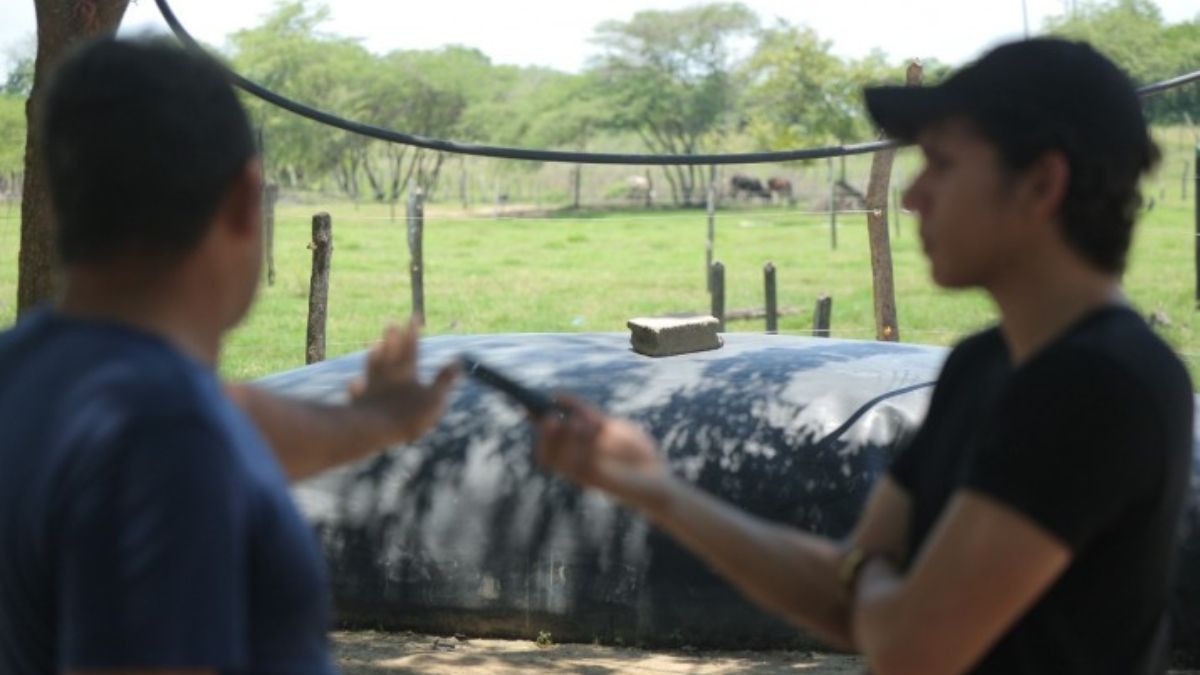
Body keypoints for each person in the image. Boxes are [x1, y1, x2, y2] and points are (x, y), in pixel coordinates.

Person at [536, 37, 1193, 675]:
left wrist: (873, 576)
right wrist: (655, 489)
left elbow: (911, 646)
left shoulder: (1099, 385)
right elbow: (845, 592)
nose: (912, 196)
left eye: (942, 164)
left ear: (1041, 184)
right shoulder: (984, 363)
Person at [0, 37, 456, 674]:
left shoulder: (38, 372)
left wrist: (380, 421)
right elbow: (184, 437)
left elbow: (229, 425)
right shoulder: (162, 434)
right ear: (246, 201)